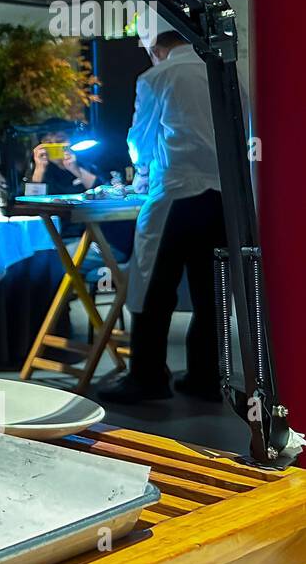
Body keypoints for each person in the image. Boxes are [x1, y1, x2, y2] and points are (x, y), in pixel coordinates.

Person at [98, 20, 228, 404]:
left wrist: (141, 174)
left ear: (155, 46)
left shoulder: (158, 76)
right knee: (211, 293)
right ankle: (207, 376)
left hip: (177, 192)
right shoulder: (223, 70)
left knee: (152, 285)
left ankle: (147, 377)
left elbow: (140, 139)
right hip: (223, 198)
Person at [29, 130, 97, 195]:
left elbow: (101, 192)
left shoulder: (85, 162)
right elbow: (30, 201)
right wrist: (39, 169)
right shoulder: (38, 169)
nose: (55, 145)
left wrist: (75, 169)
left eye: (60, 141)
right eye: (48, 143)